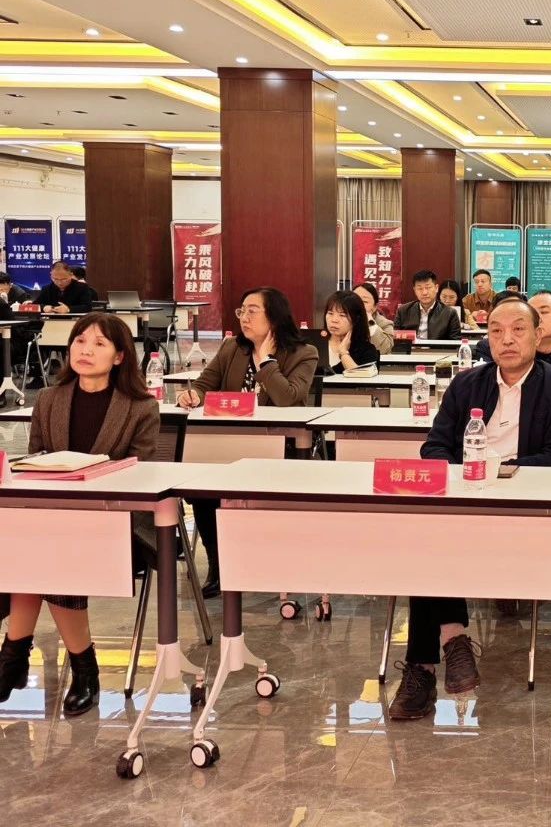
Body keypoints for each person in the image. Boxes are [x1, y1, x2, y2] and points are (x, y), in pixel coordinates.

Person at [389, 298, 551, 720]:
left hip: (523, 508)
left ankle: (428, 662)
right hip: (463, 501)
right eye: (496, 330)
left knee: (434, 543)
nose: (506, 339)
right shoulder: (466, 384)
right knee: (428, 538)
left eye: (518, 329)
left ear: (538, 335)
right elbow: (434, 447)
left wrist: (495, 472)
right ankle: (446, 646)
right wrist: (463, 476)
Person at [0, 313, 159, 716]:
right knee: (36, 543)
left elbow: (141, 475)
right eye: (80, 341)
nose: (85, 350)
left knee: (45, 549)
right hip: (54, 518)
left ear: (120, 356)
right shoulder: (49, 399)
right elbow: (34, 462)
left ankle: (14, 655)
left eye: (99, 343)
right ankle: (79, 669)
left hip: (116, 522)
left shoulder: (141, 407)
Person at [176, 287, 319, 597]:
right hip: (227, 446)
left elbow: (288, 399)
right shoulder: (232, 348)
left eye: (253, 311)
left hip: (277, 449)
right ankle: (218, 567)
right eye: (242, 310)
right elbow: (205, 384)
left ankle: (262, 562)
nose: (244, 317)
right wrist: (193, 395)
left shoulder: (303, 353)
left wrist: (266, 361)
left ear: (275, 317)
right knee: (203, 490)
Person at [394, 271, 462, 341]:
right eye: (420, 288)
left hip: (436, 348)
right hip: (409, 348)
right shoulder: (403, 311)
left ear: (436, 288)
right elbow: (394, 338)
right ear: (414, 290)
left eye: (428, 287)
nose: (424, 293)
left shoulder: (450, 313)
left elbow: (455, 342)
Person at [323, 290, 379, 374]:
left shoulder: (366, 350)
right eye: (330, 313)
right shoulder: (314, 345)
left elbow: (362, 378)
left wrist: (344, 353)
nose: (334, 320)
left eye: (342, 315)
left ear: (356, 319)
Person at [355, 282, 395, 355]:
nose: (358, 304)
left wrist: (370, 323)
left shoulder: (385, 324)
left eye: (364, 301)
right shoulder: (341, 320)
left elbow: (384, 350)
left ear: (374, 307)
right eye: (355, 300)